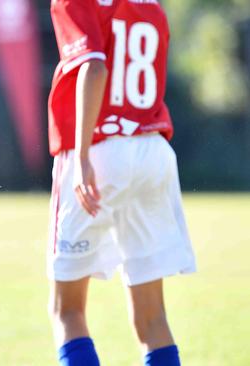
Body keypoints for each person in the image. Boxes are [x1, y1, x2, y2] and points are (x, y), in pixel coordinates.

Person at [46, 1, 196, 365]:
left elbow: (94, 67)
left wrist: (82, 157)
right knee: (152, 317)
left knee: (68, 311)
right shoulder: (151, 5)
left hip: (100, 148)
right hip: (152, 148)